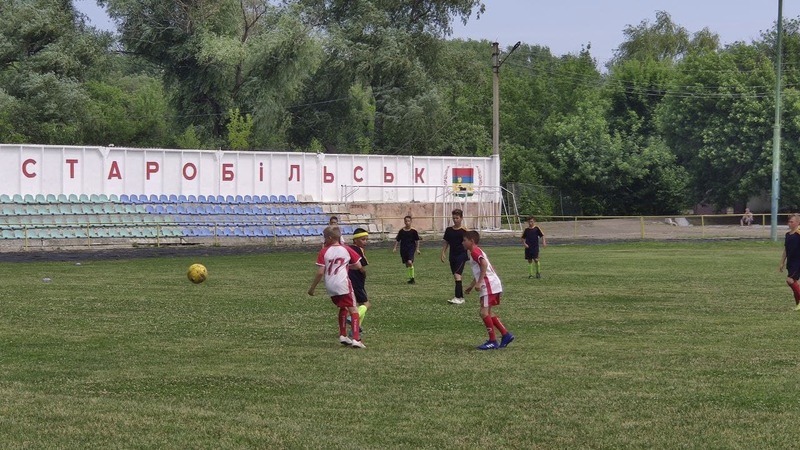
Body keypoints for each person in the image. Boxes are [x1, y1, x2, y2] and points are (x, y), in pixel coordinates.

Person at [308, 226, 366, 348]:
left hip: (330, 285)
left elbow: (320, 272)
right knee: (354, 310)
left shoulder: (324, 251)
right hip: (343, 283)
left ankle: (343, 335)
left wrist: (312, 288)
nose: (324, 240)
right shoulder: (346, 249)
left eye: (324, 238)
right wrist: (347, 266)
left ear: (330, 238)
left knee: (343, 307)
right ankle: (356, 339)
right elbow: (358, 265)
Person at [463, 230, 514, 350]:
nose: (462, 242)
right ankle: (506, 335)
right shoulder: (475, 251)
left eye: (464, 240)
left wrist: (480, 282)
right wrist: (471, 285)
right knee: (488, 313)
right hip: (492, 284)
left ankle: (493, 341)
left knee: (483, 312)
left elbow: (484, 265)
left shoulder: (475, 252)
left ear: (472, 241)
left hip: (489, 285)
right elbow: (480, 269)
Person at [441, 208, 469, 304]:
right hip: (452, 255)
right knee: (456, 276)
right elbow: (446, 242)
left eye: (457, 218)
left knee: (457, 275)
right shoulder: (449, 230)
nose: (455, 220)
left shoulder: (464, 231)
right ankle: (461, 297)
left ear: (461, 218)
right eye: (454, 218)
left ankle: (457, 298)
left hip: (461, 255)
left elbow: (469, 243)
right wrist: (443, 252)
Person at [348, 228, 371, 331]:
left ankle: (356, 329)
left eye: (366, 239)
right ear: (355, 240)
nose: (365, 242)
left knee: (356, 304)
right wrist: (363, 272)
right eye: (363, 239)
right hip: (356, 279)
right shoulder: (358, 250)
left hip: (347, 278)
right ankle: (352, 318)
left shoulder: (348, 248)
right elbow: (361, 266)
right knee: (366, 304)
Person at [779, 213, 800, 311]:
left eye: (792, 221)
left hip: (798, 262)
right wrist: (782, 262)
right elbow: (786, 250)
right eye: (789, 221)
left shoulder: (799, 233)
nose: (789, 223)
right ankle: (798, 305)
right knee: (794, 282)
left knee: (790, 280)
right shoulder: (787, 235)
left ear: (797, 222)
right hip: (791, 262)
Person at [393, 215, 421, 284]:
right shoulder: (401, 231)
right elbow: (397, 240)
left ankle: (412, 278)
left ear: (411, 222)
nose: (407, 222)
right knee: (407, 264)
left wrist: (417, 249)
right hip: (403, 249)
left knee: (409, 262)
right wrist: (395, 247)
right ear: (404, 222)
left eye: (408, 221)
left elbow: (417, 240)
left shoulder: (414, 231)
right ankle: (410, 278)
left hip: (411, 248)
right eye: (406, 221)